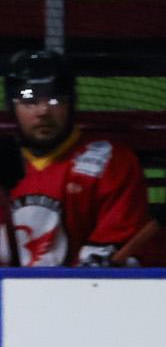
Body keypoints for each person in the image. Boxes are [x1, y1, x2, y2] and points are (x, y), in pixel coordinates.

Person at [5, 50, 154, 266]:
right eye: (30, 100)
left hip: (84, 288)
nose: (43, 111)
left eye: (55, 99)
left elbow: (112, 250)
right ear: (12, 106)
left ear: (71, 103)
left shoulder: (110, 162)